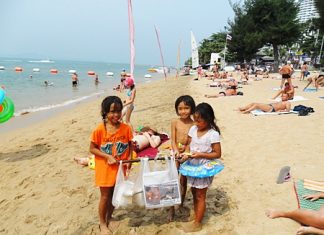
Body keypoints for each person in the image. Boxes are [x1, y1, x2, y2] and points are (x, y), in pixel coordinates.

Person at [89, 96, 133, 235]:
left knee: (116, 193)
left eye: (119, 111)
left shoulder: (126, 128)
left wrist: (130, 159)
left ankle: (110, 217)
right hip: (105, 168)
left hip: (121, 167)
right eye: (112, 111)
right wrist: (107, 156)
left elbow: (131, 145)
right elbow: (92, 148)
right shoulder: (100, 130)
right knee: (105, 196)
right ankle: (102, 224)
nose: (116, 115)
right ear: (105, 112)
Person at [178, 102, 222, 232]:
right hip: (193, 165)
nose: (196, 123)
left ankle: (197, 223)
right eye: (195, 120)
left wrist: (201, 155)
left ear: (208, 120)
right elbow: (188, 145)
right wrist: (185, 154)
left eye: (199, 121)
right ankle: (197, 213)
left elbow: (218, 154)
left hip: (204, 167)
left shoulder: (213, 134)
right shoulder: (193, 129)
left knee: (200, 195)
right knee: (193, 191)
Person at [169, 95, 196, 221]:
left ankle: (181, 203)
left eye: (186, 108)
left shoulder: (194, 123)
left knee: (183, 181)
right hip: (175, 153)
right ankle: (171, 208)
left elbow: (191, 142)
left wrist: (186, 153)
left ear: (192, 108)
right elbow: (173, 140)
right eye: (180, 108)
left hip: (187, 154)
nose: (183, 111)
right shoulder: (175, 122)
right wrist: (175, 151)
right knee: (173, 179)